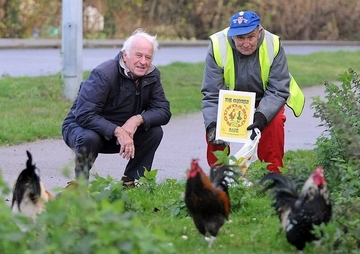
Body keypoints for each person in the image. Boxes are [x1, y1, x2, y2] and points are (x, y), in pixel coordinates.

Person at [62, 29, 172, 187]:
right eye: (138, 55)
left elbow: (164, 111)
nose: (143, 62)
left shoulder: (152, 76)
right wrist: (117, 130)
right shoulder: (104, 74)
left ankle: (130, 182)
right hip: (83, 128)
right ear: (125, 54)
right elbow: (84, 115)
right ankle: (79, 185)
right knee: (89, 137)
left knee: (154, 131)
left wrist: (137, 119)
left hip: (122, 132)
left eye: (148, 57)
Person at [201, 11, 305, 173]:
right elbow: (212, 93)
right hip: (232, 98)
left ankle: (272, 175)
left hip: (268, 96)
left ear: (259, 32)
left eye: (250, 37)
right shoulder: (217, 44)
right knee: (215, 130)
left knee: (274, 122)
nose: (246, 43)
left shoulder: (274, 43)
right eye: (240, 38)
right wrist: (212, 125)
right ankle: (219, 177)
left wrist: (262, 115)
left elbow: (278, 89)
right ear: (232, 35)